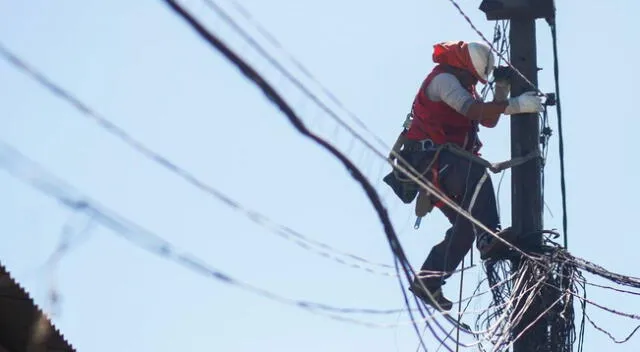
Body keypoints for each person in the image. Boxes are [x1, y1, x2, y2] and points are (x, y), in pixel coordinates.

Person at [382, 40, 543, 311]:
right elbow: (473, 111)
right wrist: (516, 105)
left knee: (465, 226)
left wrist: (502, 88)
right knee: (478, 170)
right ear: (462, 65)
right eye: (472, 76)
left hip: (442, 170)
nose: (475, 82)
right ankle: (489, 236)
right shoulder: (443, 81)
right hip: (434, 162)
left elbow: (487, 120)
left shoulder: (462, 83)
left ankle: (428, 281)